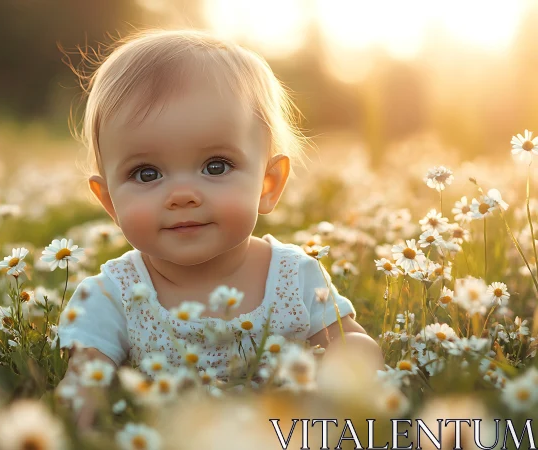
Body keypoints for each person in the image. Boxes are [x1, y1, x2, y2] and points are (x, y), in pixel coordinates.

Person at [56, 28, 383, 428]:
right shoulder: (113, 294)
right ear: (109, 202)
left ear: (268, 184)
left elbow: (350, 347)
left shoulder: (293, 277)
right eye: (146, 173)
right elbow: (83, 383)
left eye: (216, 166)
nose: (182, 195)